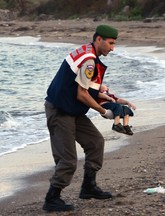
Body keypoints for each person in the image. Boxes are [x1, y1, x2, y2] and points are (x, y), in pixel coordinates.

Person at [43, 24, 118, 212]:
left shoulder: (87, 52)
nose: (113, 48)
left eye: (114, 44)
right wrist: (103, 111)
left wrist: (105, 95)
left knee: (95, 142)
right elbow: (82, 94)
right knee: (67, 159)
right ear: (98, 39)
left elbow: (87, 87)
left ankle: (88, 187)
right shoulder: (90, 61)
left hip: (73, 110)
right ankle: (52, 198)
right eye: (110, 43)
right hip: (60, 110)